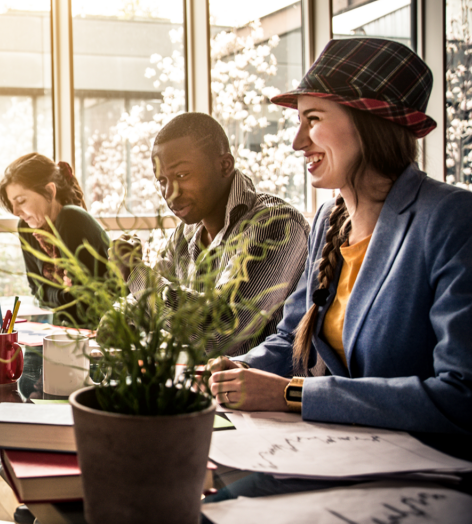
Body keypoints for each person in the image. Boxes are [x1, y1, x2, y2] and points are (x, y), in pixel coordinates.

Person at [209, 38, 472, 437]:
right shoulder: (328, 220)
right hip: (333, 449)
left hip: (422, 471)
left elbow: (460, 396)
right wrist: (241, 368)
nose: (298, 141)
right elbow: (289, 337)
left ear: (370, 124)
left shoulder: (452, 220)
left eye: (312, 120)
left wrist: (294, 395)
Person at [116, 113, 310, 355]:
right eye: (162, 180)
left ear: (224, 166)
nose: (169, 192)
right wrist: (119, 319)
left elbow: (219, 332)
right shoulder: (185, 234)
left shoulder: (275, 224)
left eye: (182, 175)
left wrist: (134, 271)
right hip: (194, 387)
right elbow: (142, 305)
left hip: (258, 391)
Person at [0, 153, 110, 327]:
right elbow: (37, 290)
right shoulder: (27, 228)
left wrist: (55, 295)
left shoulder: (72, 218)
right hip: (65, 328)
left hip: (103, 330)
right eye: (12, 204)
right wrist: (62, 294)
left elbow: (80, 303)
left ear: (50, 191)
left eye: (21, 201)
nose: (15, 211)